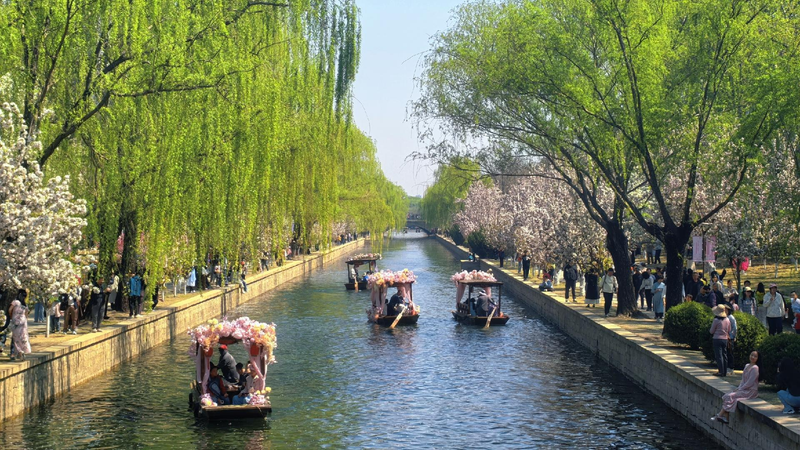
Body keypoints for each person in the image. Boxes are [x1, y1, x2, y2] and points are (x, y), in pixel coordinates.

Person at [711, 351, 761, 423]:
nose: (752, 357)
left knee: (730, 396)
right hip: (744, 389)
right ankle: (726, 417)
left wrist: (740, 389)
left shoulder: (755, 368)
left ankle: (720, 415)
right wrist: (739, 388)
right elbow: (743, 380)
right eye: (752, 355)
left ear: (757, 358)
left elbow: (750, 382)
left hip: (750, 391)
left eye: (755, 356)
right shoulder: (747, 365)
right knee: (727, 396)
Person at [9, 290, 31, 360]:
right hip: (23, 322)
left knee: (15, 338)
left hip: (16, 322)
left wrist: (11, 316)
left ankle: (19, 352)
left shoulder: (15, 302)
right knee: (23, 337)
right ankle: (23, 351)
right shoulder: (24, 304)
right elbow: (26, 313)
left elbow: (10, 310)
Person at [709, 305, 731, 377]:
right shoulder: (727, 320)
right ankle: (724, 371)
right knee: (725, 355)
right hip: (725, 339)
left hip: (717, 339)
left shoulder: (716, 320)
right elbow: (729, 330)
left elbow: (711, 331)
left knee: (719, 355)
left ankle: (720, 371)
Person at [725, 305, 737, 375]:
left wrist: (731, 336)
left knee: (730, 352)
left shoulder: (731, 318)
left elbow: (734, 328)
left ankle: (731, 368)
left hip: (730, 337)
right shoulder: (724, 317)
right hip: (724, 337)